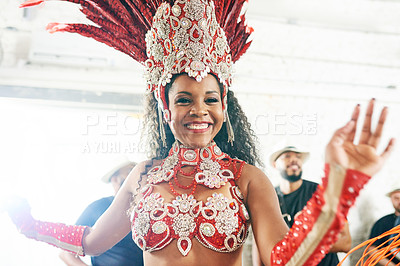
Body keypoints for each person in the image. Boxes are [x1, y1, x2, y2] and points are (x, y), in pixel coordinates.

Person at [5, 0, 396, 265]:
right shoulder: (143, 175)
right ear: (164, 106)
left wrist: (339, 188)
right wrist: (28, 224)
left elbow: (285, 260)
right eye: (184, 99)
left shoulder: (248, 178)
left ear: (224, 106)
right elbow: (92, 241)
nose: (199, 111)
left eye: (211, 99)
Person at [253, 146, 352, 266]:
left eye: (298, 156)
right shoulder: (267, 198)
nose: (294, 159)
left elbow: (345, 242)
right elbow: (258, 244)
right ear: (275, 164)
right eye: (287, 156)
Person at [59, 161, 144, 266]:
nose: (135, 175)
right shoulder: (97, 207)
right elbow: (66, 252)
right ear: (115, 179)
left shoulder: (143, 207)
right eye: (129, 171)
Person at [366, 186, 400, 265]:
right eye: (396, 198)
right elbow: (372, 249)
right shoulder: (382, 222)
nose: (399, 201)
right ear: (391, 199)